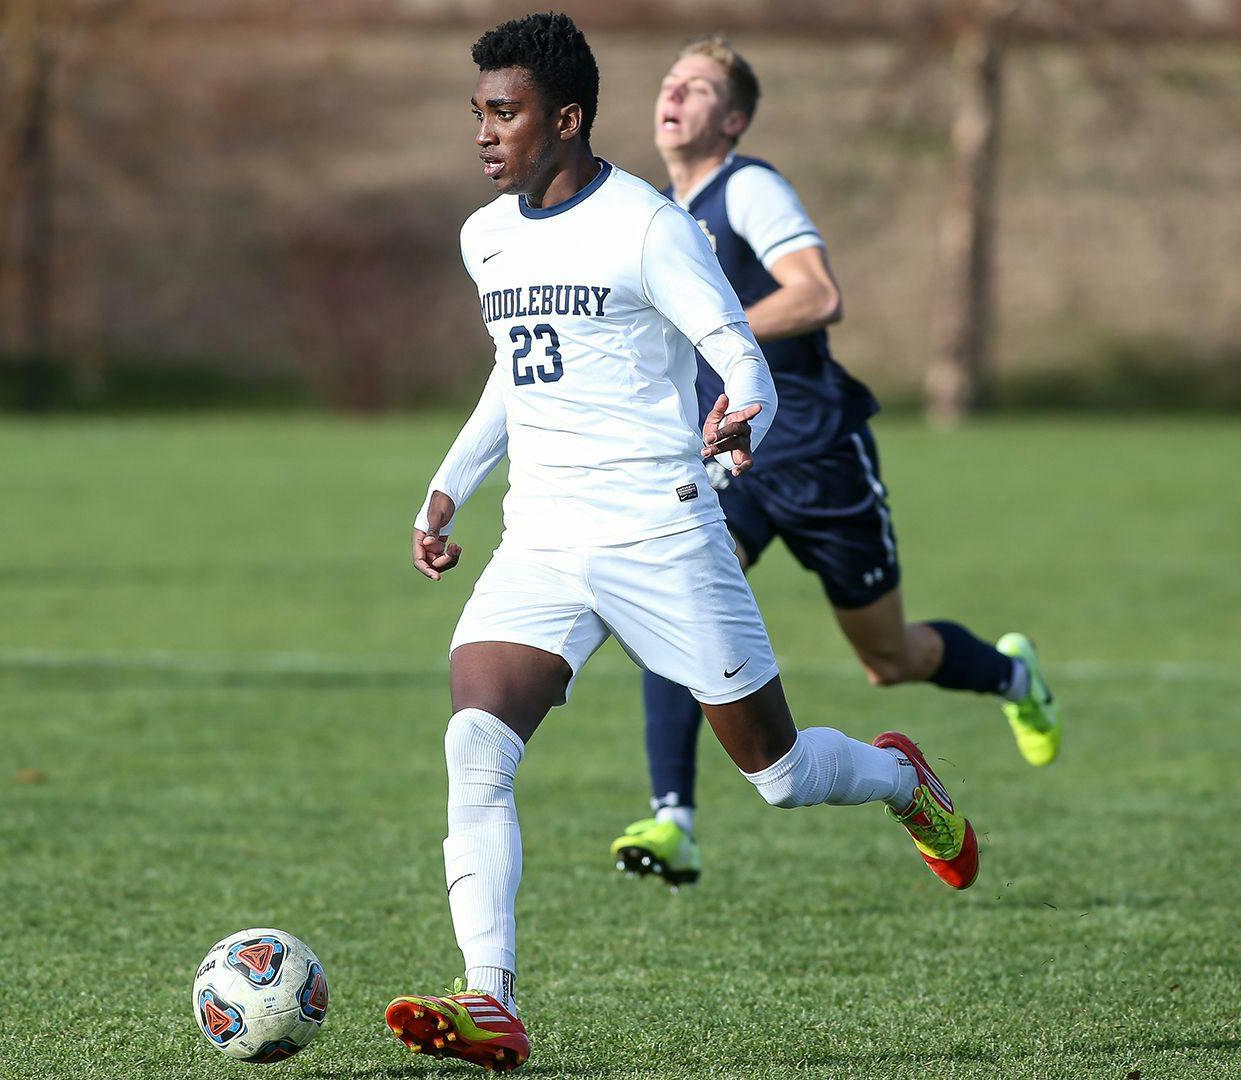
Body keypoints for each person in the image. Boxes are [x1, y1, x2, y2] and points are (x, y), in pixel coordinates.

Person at [382, 14, 982, 1071]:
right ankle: (491, 1000)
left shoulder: (650, 226)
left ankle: (901, 781)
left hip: (660, 529)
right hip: (544, 541)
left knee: (782, 776)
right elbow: (515, 377)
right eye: (477, 111)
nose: (484, 132)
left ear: (566, 119)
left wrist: (739, 412)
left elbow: (737, 353)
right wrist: (447, 487)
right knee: (474, 744)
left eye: (505, 112)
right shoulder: (489, 236)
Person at [610, 34, 1058, 889]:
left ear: (732, 118)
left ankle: (1011, 674)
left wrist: (715, 320)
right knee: (676, 604)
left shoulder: (750, 186)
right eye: (670, 80)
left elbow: (818, 292)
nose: (675, 94)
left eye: (698, 86)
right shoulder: (655, 211)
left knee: (887, 657)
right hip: (732, 458)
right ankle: (674, 821)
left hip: (815, 449)